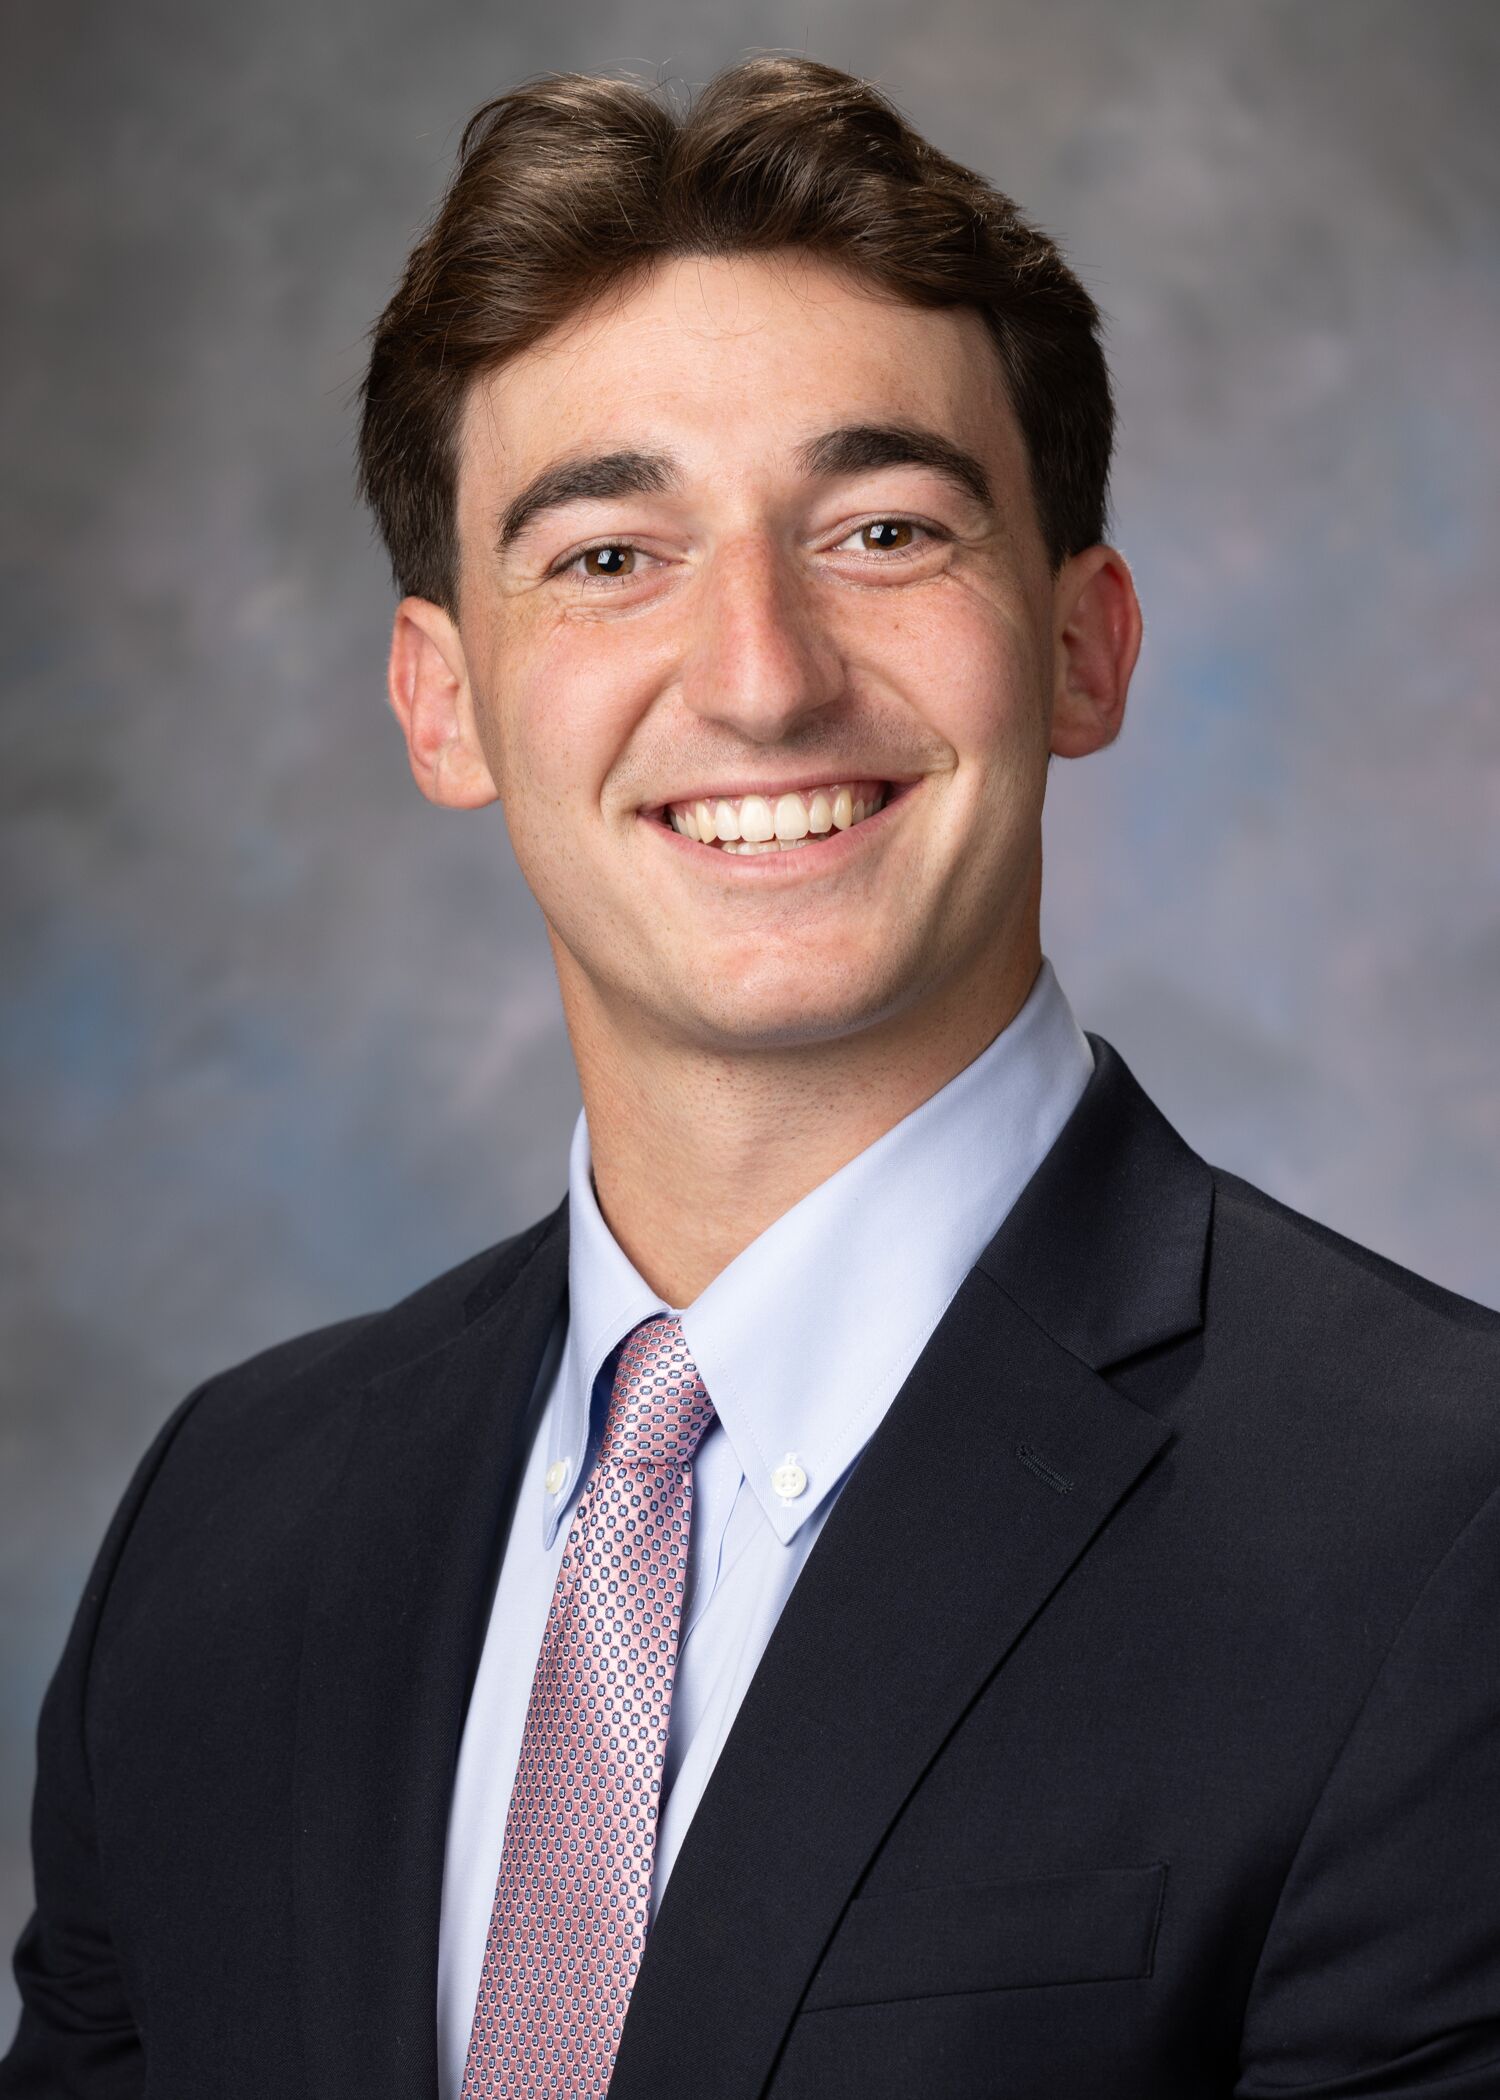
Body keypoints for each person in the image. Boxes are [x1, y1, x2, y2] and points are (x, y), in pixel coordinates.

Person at [4, 52, 1498, 2100]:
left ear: (1082, 647)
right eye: (611, 555)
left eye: (882, 529)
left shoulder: (1442, 1528)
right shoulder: (224, 1532)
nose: (764, 674)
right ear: (445, 703)